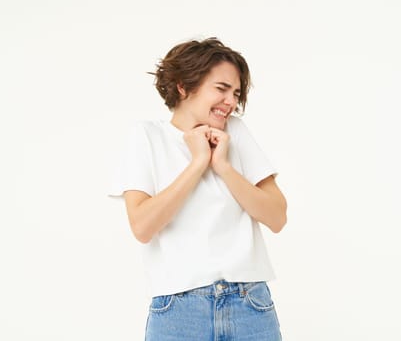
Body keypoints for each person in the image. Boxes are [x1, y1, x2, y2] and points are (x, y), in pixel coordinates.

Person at [110, 37, 287, 340]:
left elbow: (277, 217)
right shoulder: (147, 136)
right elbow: (142, 226)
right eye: (221, 89)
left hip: (250, 303)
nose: (231, 102)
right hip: (179, 310)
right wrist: (198, 163)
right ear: (183, 85)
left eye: (236, 93)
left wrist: (223, 167)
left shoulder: (236, 134)